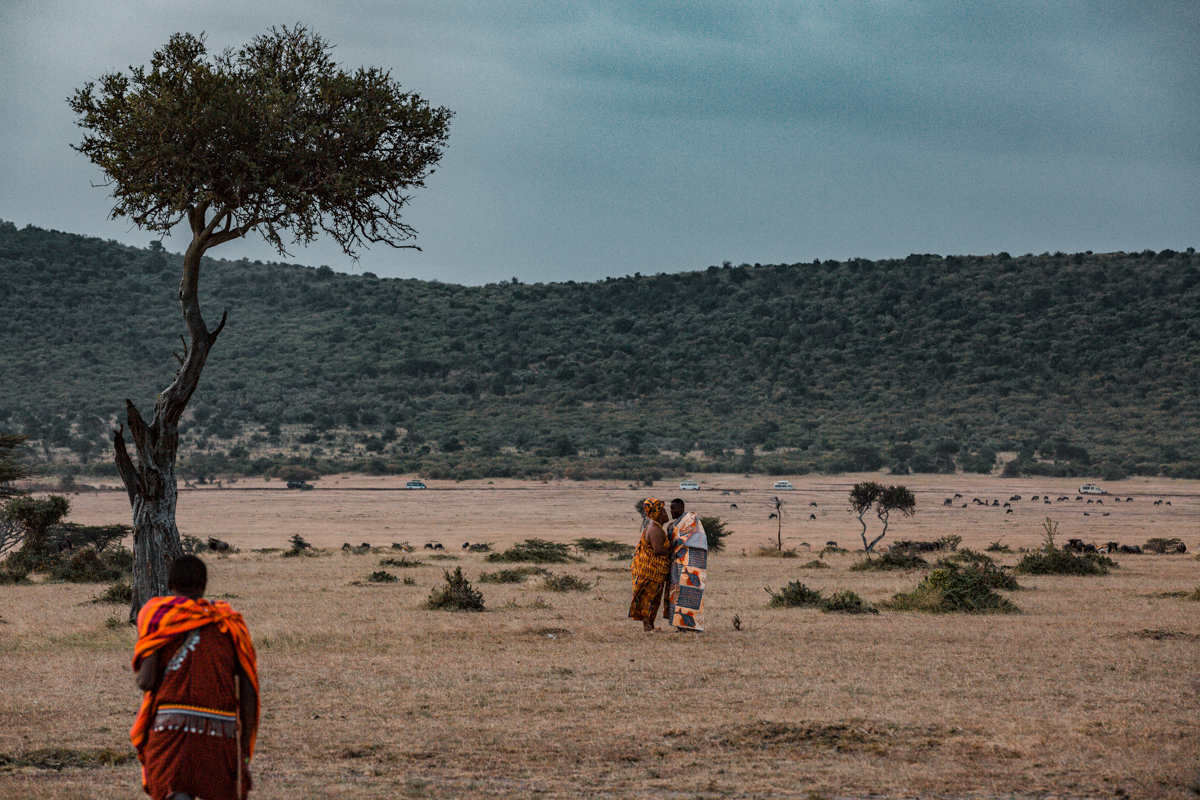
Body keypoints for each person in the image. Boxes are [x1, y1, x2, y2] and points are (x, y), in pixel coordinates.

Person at [131, 555, 259, 800]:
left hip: (170, 729)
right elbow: (248, 689)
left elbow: (146, 681)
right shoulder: (229, 622)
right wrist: (241, 750)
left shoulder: (158, 616)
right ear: (204, 586)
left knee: (173, 791)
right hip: (220, 732)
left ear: (169, 585)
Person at [663, 498, 708, 631]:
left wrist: (679, 543)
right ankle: (679, 625)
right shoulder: (671, 526)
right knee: (675, 592)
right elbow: (669, 544)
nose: (672, 511)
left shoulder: (692, 521)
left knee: (691, 592)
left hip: (691, 564)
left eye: (674, 508)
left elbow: (699, 539)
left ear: (682, 507)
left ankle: (692, 625)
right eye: (670, 508)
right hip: (675, 563)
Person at [628, 498, 672, 632]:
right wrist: (673, 549)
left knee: (654, 599)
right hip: (650, 572)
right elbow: (658, 550)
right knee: (649, 599)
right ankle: (647, 626)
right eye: (663, 511)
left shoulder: (657, 528)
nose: (666, 513)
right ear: (657, 513)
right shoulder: (655, 529)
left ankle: (650, 625)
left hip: (654, 572)